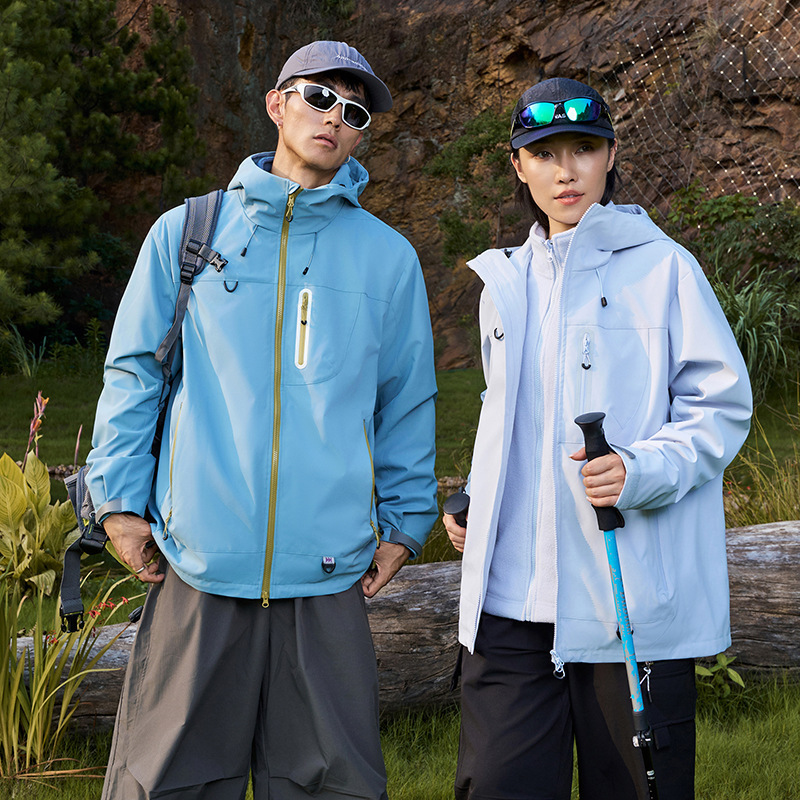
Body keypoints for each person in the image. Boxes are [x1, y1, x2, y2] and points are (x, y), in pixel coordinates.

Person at [86, 40, 437, 800]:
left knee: (333, 788)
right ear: (277, 104)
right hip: (200, 559)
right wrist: (117, 505)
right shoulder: (187, 233)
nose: (335, 118)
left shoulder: (388, 258)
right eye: (319, 98)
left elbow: (406, 401)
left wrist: (406, 522)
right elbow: (135, 373)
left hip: (328, 571)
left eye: (355, 112)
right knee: (166, 784)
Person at [443, 77, 752, 800]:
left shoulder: (665, 268)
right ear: (518, 166)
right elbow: (506, 412)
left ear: (610, 156)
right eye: (544, 153)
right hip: (510, 605)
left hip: (624, 601)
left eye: (583, 148)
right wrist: (477, 496)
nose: (566, 170)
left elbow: (721, 405)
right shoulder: (503, 282)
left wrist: (639, 470)